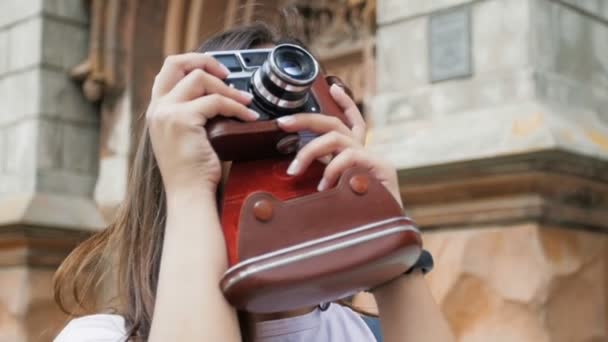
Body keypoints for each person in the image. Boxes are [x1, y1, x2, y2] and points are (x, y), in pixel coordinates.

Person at [53, 22, 455, 342]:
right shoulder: (96, 337)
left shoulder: (361, 333)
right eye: (247, 115)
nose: (284, 154)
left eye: (301, 123)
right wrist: (188, 190)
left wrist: (384, 232)